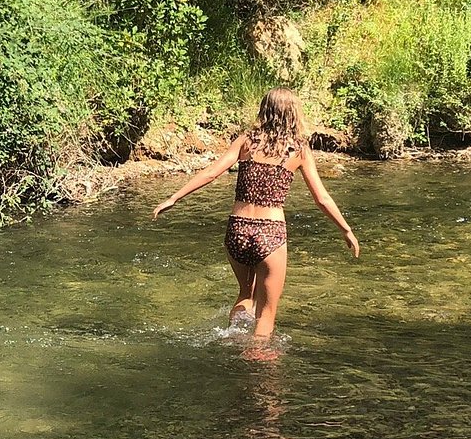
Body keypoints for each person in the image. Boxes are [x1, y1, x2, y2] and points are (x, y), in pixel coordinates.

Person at [152, 88, 359, 339]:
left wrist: (174, 197)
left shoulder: (246, 141)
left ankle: (233, 339)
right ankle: (258, 367)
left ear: (265, 110)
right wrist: (346, 230)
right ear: (294, 114)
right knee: (266, 313)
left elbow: (211, 173)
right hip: (269, 233)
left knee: (245, 294)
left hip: (237, 229)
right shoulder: (298, 149)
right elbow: (321, 199)